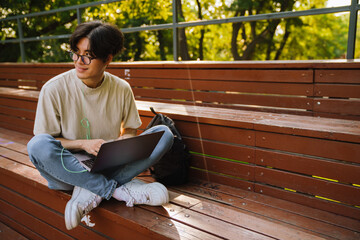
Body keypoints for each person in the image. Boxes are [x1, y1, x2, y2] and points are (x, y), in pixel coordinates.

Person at [27, 21, 174, 230]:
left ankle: (91, 191)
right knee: (37, 144)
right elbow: (48, 143)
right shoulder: (53, 89)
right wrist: (84, 144)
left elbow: (130, 130)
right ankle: (117, 190)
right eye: (76, 53)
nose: (79, 61)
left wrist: (124, 142)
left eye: (88, 55)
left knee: (164, 134)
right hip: (69, 169)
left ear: (108, 59)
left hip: (109, 162)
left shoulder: (122, 88)